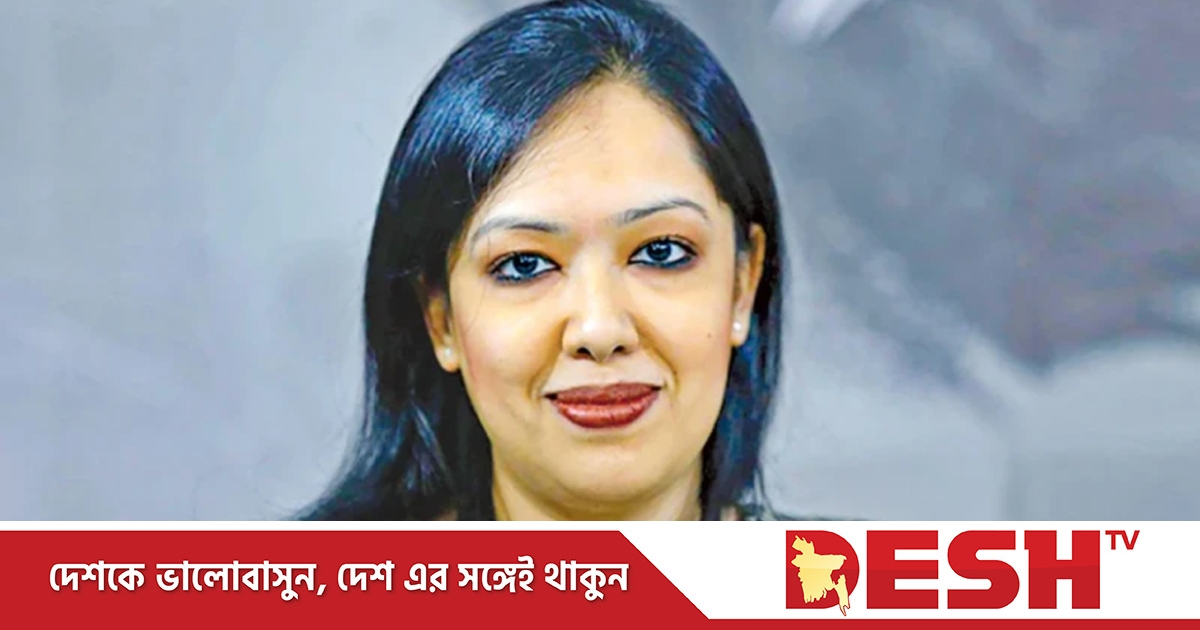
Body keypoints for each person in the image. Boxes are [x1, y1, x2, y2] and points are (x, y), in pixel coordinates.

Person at [301, 0, 790, 521]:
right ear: (440, 318)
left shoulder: (839, 574)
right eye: (524, 265)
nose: (599, 330)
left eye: (661, 251)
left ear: (742, 283)